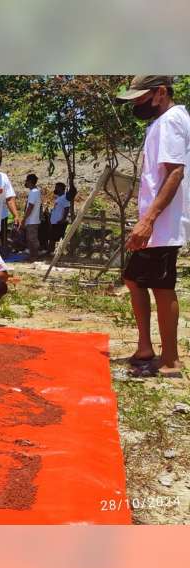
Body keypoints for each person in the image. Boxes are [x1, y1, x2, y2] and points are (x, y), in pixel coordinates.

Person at [116, 75, 190, 378]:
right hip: (155, 223)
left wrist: (148, 220)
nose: (135, 103)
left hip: (163, 224)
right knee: (133, 278)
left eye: (140, 97)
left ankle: (170, 360)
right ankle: (145, 348)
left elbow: (175, 174)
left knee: (162, 286)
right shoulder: (161, 122)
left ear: (160, 92)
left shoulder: (172, 120)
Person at [22, 173, 42, 261]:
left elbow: (30, 207)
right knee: (30, 239)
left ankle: (35, 255)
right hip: (32, 220)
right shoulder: (34, 191)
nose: (25, 182)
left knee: (32, 239)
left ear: (30, 181)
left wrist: (24, 219)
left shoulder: (34, 192)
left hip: (32, 220)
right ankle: (32, 255)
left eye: (26, 181)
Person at [48, 182, 71, 253]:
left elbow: (67, 208)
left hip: (59, 222)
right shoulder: (59, 198)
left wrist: (63, 219)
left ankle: (51, 253)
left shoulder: (64, 198)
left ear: (61, 188)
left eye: (56, 187)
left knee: (53, 238)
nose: (55, 189)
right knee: (52, 238)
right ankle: (51, 252)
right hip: (55, 222)